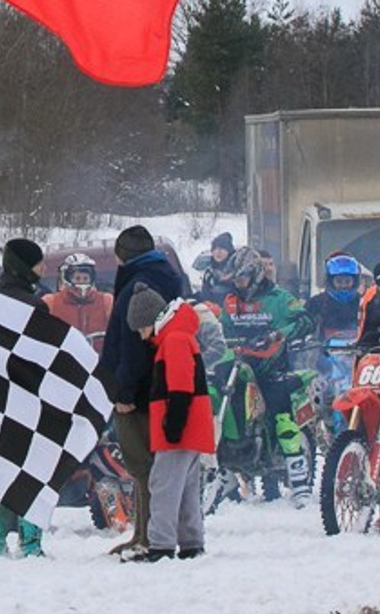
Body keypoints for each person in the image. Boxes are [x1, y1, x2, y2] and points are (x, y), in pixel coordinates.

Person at [98, 225, 184, 559]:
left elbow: (134, 346)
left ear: (123, 255)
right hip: (155, 386)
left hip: (138, 392)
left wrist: (124, 392)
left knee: (142, 466)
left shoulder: (138, 285)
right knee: (149, 468)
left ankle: (149, 536)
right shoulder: (164, 277)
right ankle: (145, 533)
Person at [219, 245, 314, 506]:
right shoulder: (231, 301)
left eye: (241, 278)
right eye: (235, 280)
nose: (238, 284)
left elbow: (306, 321)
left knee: (281, 415)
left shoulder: (279, 298)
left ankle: (299, 478)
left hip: (271, 369)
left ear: (256, 274)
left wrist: (279, 334)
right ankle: (223, 469)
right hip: (237, 369)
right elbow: (220, 329)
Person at [126, 288, 213, 561]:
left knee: (163, 486)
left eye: (142, 329)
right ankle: (191, 543)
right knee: (186, 489)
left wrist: (173, 424)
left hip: (180, 428)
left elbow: (180, 387)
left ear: (153, 320)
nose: (143, 336)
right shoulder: (181, 335)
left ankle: (161, 545)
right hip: (194, 428)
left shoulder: (173, 340)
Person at [0, 238, 50, 557]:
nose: (43, 268)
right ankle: (30, 541)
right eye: (38, 263)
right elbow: (45, 355)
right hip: (28, 397)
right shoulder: (35, 306)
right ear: (25, 266)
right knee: (32, 469)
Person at [42, 252, 113, 351]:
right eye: (77, 278)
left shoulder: (106, 301)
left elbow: (117, 330)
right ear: (67, 278)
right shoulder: (51, 302)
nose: (82, 282)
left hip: (99, 356)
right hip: (64, 356)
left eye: (85, 278)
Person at [199, 232, 235, 307]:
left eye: (222, 248)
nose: (218, 251)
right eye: (215, 248)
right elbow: (205, 296)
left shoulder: (236, 271)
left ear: (229, 251)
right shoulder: (209, 273)